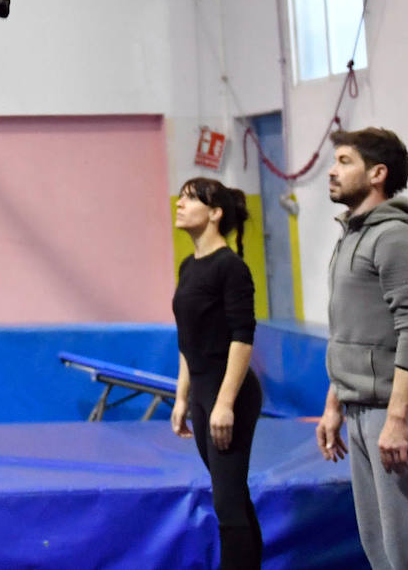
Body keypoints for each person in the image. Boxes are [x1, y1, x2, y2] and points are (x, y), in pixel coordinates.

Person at [317, 127, 408, 570]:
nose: (332, 171)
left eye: (344, 161)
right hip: (360, 408)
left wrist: (399, 418)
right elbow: (350, 329)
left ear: (377, 173)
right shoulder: (351, 237)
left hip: (395, 411)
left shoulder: (397, 238)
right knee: (380, 544)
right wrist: (334, 403)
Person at [169, 178, 263, 568]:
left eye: (191, 199)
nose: (180, 203)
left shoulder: (231, 267)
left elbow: (242, 337)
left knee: (226, 500)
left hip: (232, 392)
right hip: (203, 391)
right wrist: (181, 396)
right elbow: (187, 338)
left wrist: (225, 404)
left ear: (215, 213)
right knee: (232, 494)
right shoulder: (188, 266)